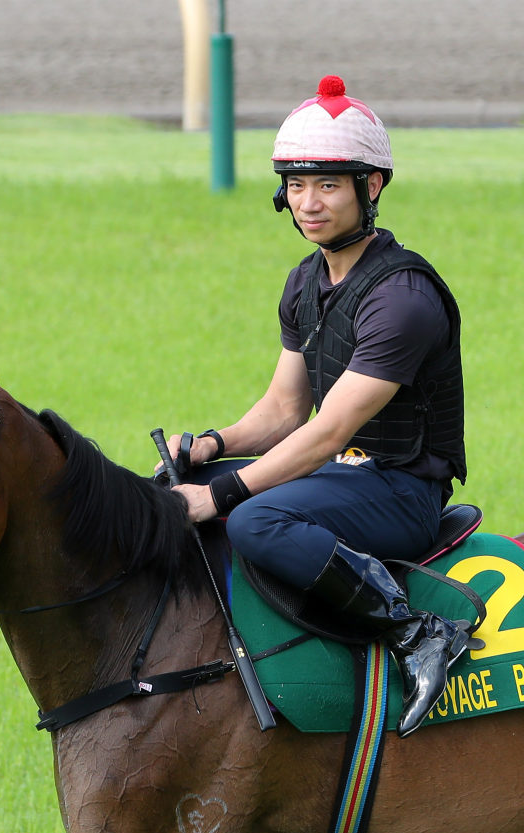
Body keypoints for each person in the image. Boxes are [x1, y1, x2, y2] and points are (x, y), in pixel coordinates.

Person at [169, 75, 474, 736]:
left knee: (253, 522)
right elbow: (283, 410)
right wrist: (210, 448)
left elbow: (331, 426)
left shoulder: (404, 298)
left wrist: (223, 495)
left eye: (328, 185)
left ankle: (418, 631)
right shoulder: (305, 282)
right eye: (297, 184)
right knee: (187, 489)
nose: (308, 203)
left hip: (401, 491)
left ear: (374, 187)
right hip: (342, 477)